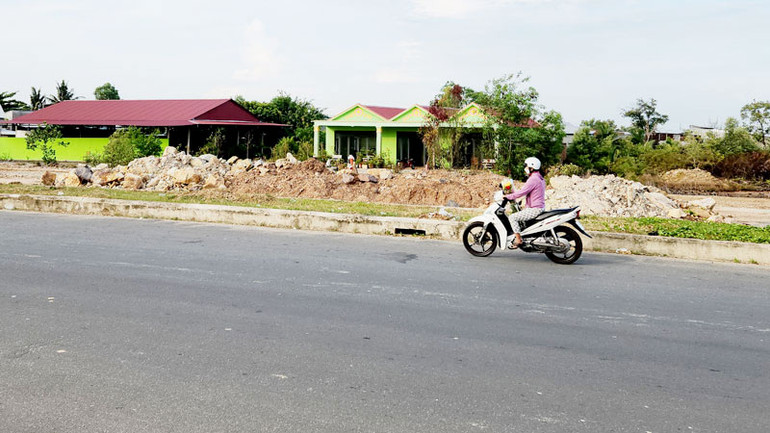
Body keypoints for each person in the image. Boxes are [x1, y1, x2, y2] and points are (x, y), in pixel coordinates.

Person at [504, 157, 546, 249]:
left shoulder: (533, 179)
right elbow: (529, 192)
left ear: (532, 167)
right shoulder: (539, 177)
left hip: (535, 209)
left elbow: (522, 192)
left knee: (512, 217)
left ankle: (518, 239)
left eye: (526, 166)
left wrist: (508, 196)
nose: (525, 168)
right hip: (538, 207)